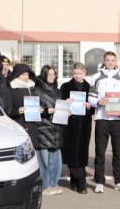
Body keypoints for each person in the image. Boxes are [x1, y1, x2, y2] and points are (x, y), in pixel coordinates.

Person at [88, 51, 120, 194]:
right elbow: (91, 97)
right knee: (100, 152)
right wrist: (98, 102)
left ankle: (118, 181)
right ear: (104, 61)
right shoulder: (96, 77)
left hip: (118, 120)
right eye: (108, 60)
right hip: (102, 119)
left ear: (116, 61)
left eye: (113, 60)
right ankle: (99, 182)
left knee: (117, 153)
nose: (110, 62)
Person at [60, 62, 94, 194]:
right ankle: (81, 182)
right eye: (75, 74)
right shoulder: (66, 86)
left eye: (80, 73)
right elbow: (60, 104)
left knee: (82, 152)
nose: (77, 76)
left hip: (84, 123)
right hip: (70, 123)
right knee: (71, 152)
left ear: (84, 73)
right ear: (72, 73)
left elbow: (94, 107)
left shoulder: (89, 87)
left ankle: (75, 179)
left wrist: (89, 107)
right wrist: (65, 104)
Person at [34, 65, 64, 196]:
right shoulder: (36, 90)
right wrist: (46, 111)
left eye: (54, 74)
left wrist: (66, 110)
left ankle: (54, 183)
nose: (52, 76)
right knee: (43, 160)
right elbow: (33, 111)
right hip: (43, 128)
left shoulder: (57, 91)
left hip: (56, 128)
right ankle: (45, 185)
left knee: (55, 160)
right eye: (49, 74)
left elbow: (60, 107)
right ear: (44, 75)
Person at [7, 63, 41, 161]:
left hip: (32, 126)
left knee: (33, 159)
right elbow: (7, 110)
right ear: (17, 75)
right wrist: (17, 111)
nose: (26, 77)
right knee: (21, 158)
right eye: (23, 74)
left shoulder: (32, 88)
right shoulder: (11, 90)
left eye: (27, 74)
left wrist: (39, 110)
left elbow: (35, 106)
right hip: (19, 125)